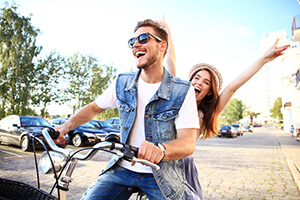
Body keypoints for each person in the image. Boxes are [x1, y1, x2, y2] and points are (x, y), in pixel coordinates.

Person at [54, 19, 200, 200]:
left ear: (162, 46)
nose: (136, 44)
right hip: (122, 168)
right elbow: (93, 108)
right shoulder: (122, 83)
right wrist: (64, 127)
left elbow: (188, 142)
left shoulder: (182, 90)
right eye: (132, 41)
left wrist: (161, 149)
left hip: (161, 175)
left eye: (144, 38)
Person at [160, 17, 290, 199]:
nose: (199, 82)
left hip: (184, 170)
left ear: (209, 92)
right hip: (160, 161)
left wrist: (263, 59)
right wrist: (167, 32)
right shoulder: (175, 98)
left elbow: (233, 86)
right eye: (196, 77)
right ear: (189, 81)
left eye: (206, 82)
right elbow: (170, 61)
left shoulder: (205, 114)